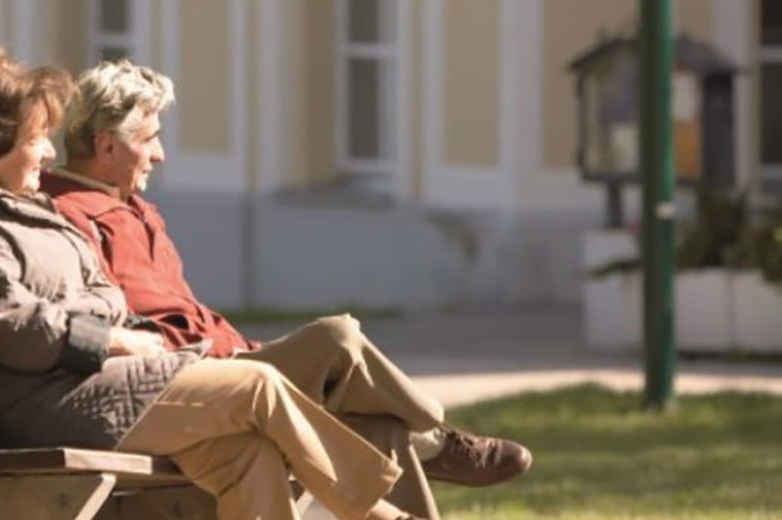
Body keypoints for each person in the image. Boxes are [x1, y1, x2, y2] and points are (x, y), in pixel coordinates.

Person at [0, 47, 434, 520]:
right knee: (258, 387)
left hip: (77, 390)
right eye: (37, 138)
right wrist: (112, 338)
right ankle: (376, 514)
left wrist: (97, 318)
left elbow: (103, 290)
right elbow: (20, 330)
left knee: (247, 456)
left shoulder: (33, 213)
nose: (49, 152)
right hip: (26, 410)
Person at [41, 59, 533, 505]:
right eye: (148, 139)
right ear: (106, 146)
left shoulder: (134, 209)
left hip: (229, 361)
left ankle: (423, 440)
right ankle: (436, 439)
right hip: (191, 380)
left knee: (379, 426)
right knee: (336, 337)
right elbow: (117, 323)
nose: (161, 154)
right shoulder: (68, 218)